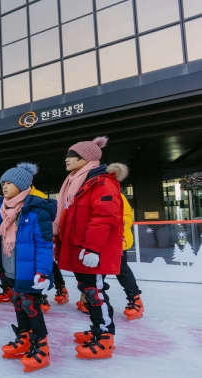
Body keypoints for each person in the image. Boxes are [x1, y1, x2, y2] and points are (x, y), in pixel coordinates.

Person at [54, 136, 125, 359]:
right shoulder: (77, 182)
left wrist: (93, 248)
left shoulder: (102, 182)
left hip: (91, 250)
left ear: (86, 158)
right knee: (88, 291)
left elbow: (105, 216)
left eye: (71, 155)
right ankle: (97, 329)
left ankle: (105, 337)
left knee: (95, 293)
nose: (66, 159)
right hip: (78, 248)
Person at [0, 163, 56, 372]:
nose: (5, 187)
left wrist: (43, 272)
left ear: (23, 185)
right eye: (3, 183)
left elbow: (44, 244)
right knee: (17, 300)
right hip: (9, 266)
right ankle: (24, 336)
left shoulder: (36, 210)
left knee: (29, 304)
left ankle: (41, 344)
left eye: (10, 183)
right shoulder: (0, 209)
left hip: (29, 269)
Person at [118, 193, 144, 320]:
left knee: (121, 269)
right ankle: (91, 300)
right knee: (95, 273)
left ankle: (135, 299)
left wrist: (119, 238)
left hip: (117, 240)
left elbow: (125, 218)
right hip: (99, 240)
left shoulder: (117, 196)